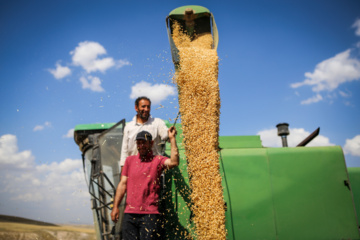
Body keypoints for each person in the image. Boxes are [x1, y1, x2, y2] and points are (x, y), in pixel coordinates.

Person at [111, 127, 179, 239]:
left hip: (150, 215)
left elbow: (174, 162)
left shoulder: (157, 160)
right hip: (130, 214)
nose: (141, 146)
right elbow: (123, 184)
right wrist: (115, 207)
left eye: (144, 143)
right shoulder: (129, 161)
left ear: (151, 143)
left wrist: (172, 139)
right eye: (139, 143)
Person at [120, 96, 169, 169]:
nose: (146, 109)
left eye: (148, 107)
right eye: (143, 106)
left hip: (154, 168)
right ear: (136, 108)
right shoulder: (129, 127)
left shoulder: (157, 123)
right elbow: (124, 152)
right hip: (134, 168)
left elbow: (166, 135)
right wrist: (123, 174)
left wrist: (170, 133)